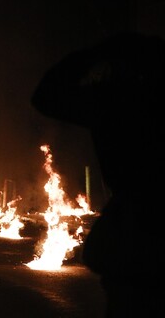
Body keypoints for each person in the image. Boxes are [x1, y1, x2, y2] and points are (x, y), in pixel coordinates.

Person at [31, 31, 165, 317]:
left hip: (136, 234)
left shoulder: (118, 103)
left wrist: (96, 52)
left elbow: (46, 95)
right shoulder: (123, 100)